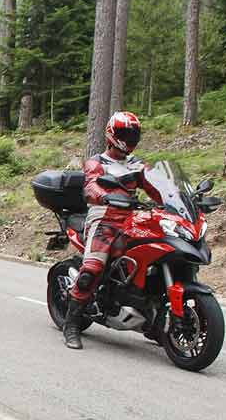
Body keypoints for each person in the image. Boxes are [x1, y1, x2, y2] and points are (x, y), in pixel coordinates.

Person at [63, 111, 162, 350]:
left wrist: (176, 198)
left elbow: (156, 186)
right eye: (125, 134)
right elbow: (90, 186)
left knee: (157, 255)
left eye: (133, 134)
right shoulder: (97, 162)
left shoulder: (137, 165)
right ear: (112, 135)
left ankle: (156, 321)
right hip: (103, 219)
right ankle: (72, 325)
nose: (129, 138)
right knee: (92, 269)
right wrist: (103, 196)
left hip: (131, 219)